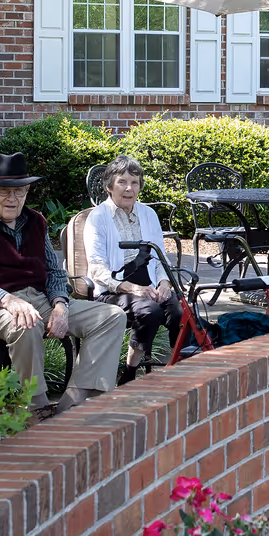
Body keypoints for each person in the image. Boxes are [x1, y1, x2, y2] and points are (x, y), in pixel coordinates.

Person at [0, 151, 127, 415]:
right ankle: (35, 407)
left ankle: (75, 403)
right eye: (4, 191)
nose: (13, 198)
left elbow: (53, 271)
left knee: (111, 315)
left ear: (27, 191)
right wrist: (7, 300)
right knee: (25, 323)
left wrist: (61, 305)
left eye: (20, 191)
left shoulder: (35, 221)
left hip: (36, 299)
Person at [80, 154, 187, 382]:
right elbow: (97, 269)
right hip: (112, 291)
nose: (129, 188)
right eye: (122, 182)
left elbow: (160, 258)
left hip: (149, 287)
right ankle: (129, 374)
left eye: (135, 182)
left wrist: (164, 283)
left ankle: (178, 372)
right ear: (109, 186)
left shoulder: (149, 214)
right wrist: (132, 289)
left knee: (180, 312)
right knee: (149, 311)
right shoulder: (97, 218)